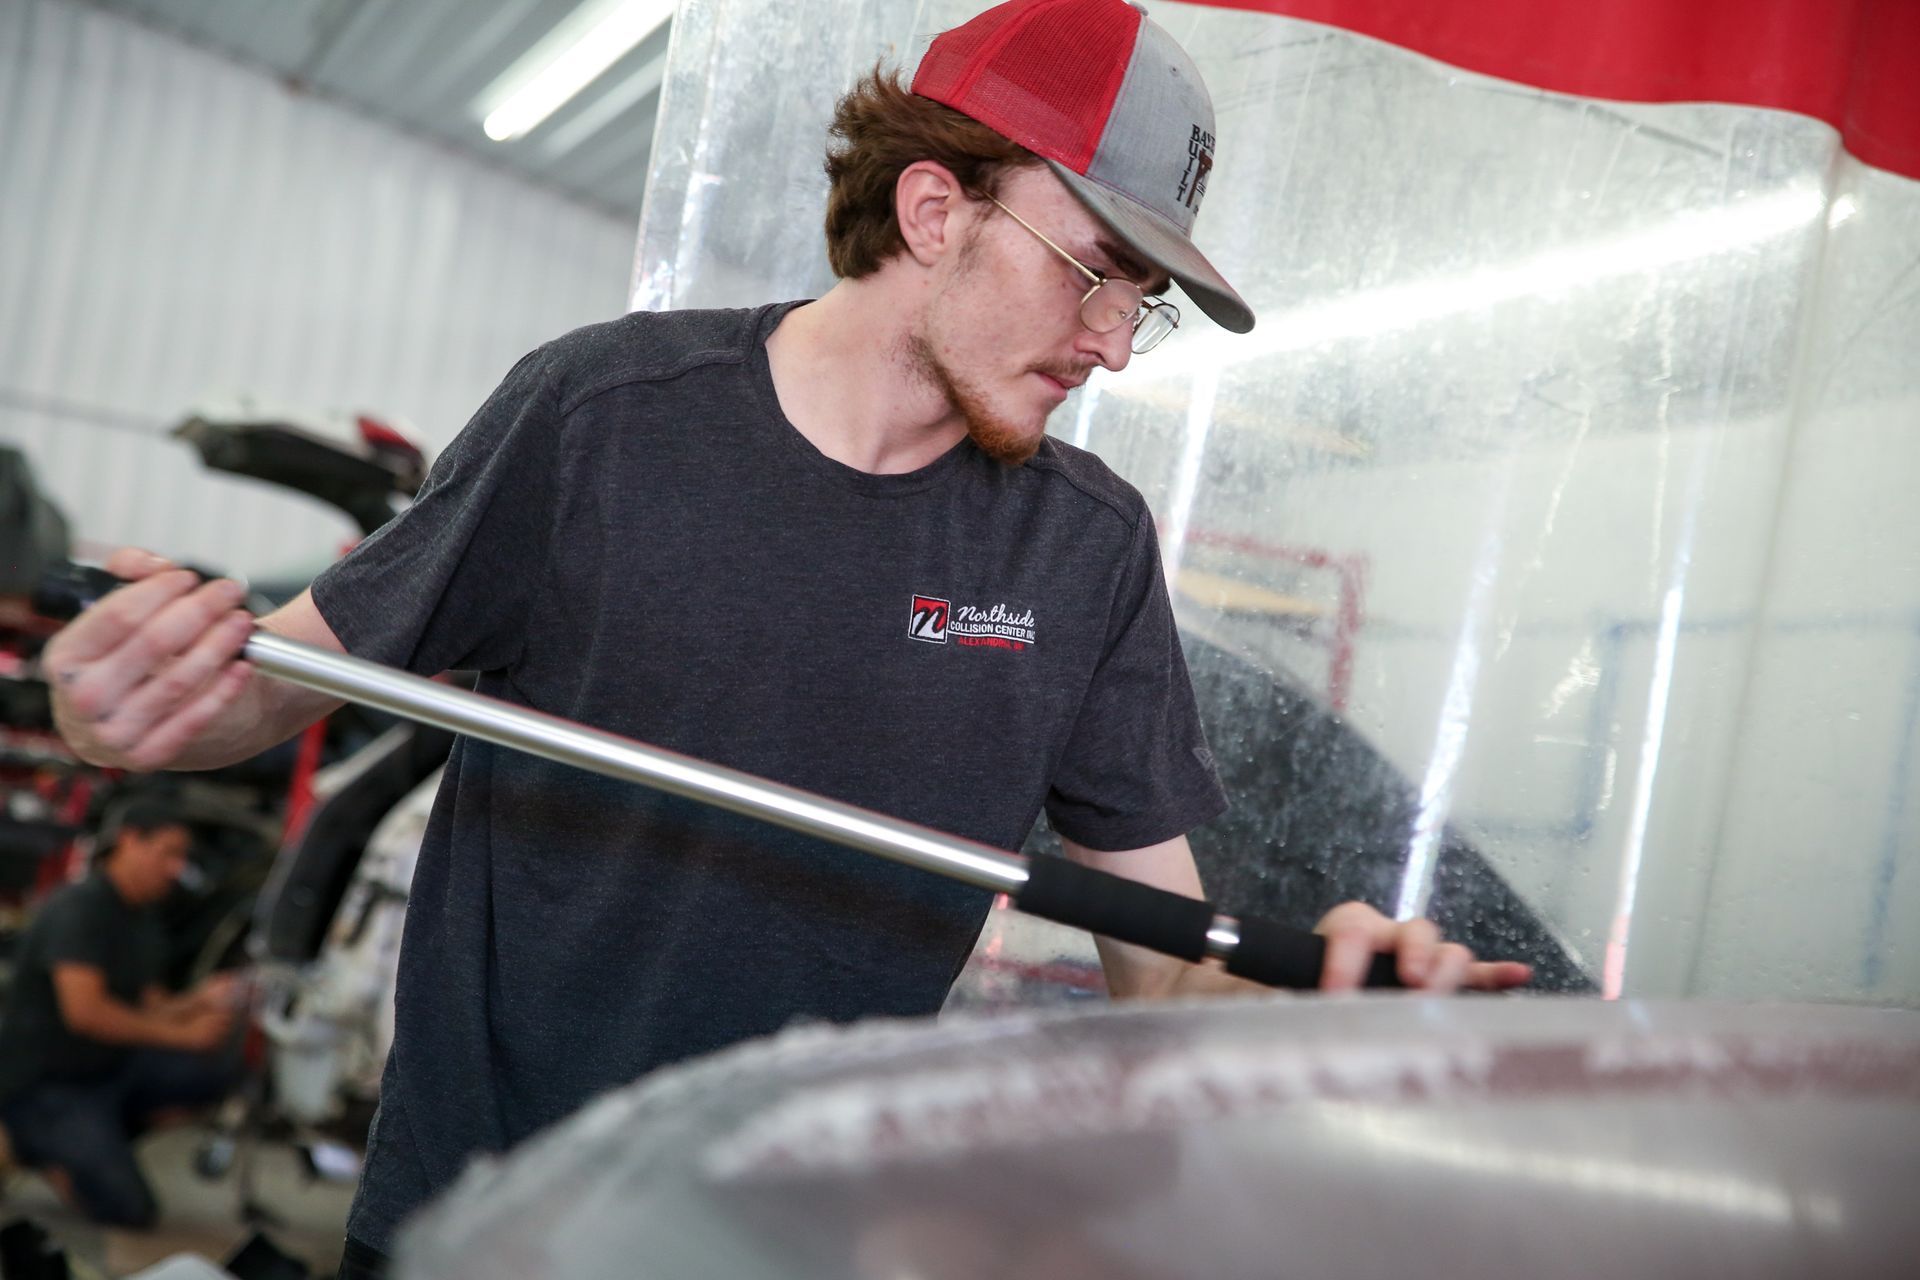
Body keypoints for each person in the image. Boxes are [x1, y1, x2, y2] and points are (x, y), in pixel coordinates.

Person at [42, 1, 1530, 1273]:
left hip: (792, 1246)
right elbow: (283, 680)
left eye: (1148, 302)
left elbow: (1164, 964)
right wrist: (133, 707)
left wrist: (1299, 1002)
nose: (1115, 344)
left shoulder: (1085, 550)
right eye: (1095, 270)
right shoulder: (603, 419)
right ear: (935, 209)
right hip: (483, 1219)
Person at [0, 798, 243, 1228]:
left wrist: (199, 1000)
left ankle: (101, 1137)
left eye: (181, 857)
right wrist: (183, 1035)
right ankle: (27, 1143)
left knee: (214, 1069)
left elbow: (147, 1003)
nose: (175, 868)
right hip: (51, 1083)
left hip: (108, 1071)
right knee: (129, 1211)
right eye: (167, 853)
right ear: (130, 841)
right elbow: (86, 1013)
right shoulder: (80, 909)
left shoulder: (142, 916)